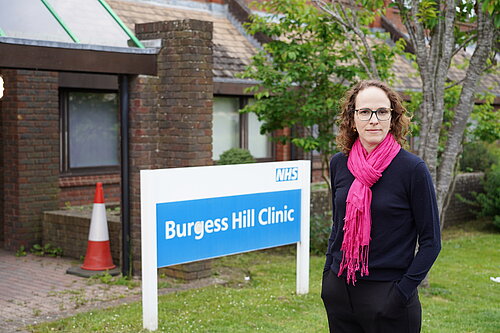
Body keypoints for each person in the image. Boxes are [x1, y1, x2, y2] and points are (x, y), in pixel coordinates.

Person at [321, 80, 441, 333]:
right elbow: (337, 226)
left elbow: (431, 242)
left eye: (382, 112)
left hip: (388, 293)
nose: (373, 120)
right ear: (352, 120)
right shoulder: (339, 164)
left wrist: (401, 293)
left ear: (392, 118)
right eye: (364, 112)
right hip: (340, 290)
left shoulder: (412, 169)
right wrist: (328, 278)